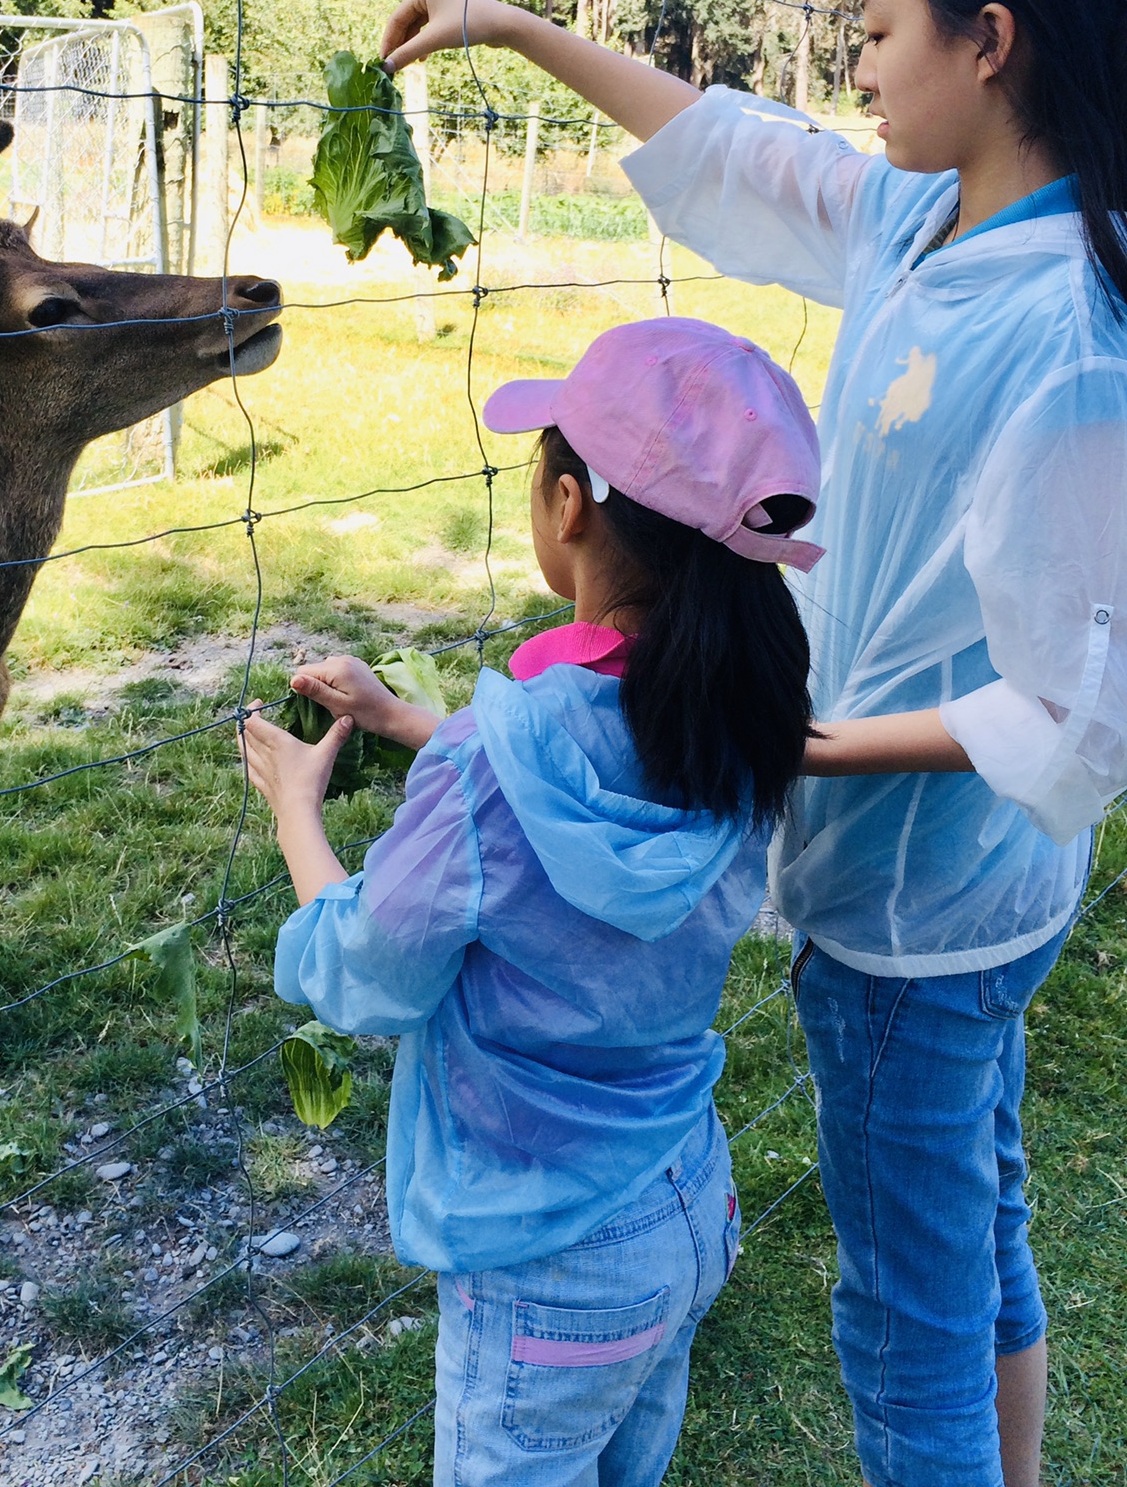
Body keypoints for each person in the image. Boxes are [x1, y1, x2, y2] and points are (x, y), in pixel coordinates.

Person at [366, 0, 1127, 1487]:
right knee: (979, 1238)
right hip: (955, 897)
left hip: (915, 922)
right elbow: (737, 150)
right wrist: (502, 23)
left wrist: (811, 752)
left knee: (906, 1327)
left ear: (988, 43)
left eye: (875, 30)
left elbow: (1080, 715)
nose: (853, 69)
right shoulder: (924, 226)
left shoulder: (1067, 336)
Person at [240, 317, 823, 1487]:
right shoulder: (744, 712)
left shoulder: (495, 772)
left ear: (569, 505)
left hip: (545, 1261)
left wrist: (300, 808)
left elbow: (362, 975)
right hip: (683, 1202)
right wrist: (419, 724)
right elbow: (578, 755)